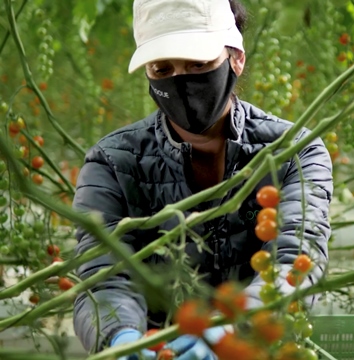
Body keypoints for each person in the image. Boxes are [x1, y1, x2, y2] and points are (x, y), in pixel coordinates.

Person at [71, 0, 333, 359]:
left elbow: (295, 257)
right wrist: (120, 336)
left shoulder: (295, 152)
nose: (182, 81)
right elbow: (103, 273)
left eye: (199, 64)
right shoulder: (111, 162)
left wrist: (235, 325)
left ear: (236, 58)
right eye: (162, 69)